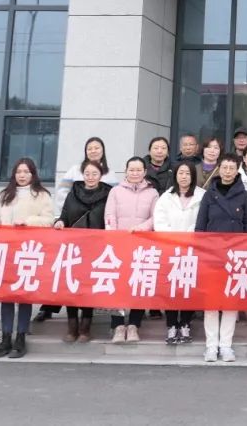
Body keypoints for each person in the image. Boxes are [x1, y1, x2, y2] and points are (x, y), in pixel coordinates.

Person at [37, 136, 118, 324]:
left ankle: (87, 318)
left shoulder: (110, 175)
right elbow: (63, 196)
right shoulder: (75, 170)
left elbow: (113, 202)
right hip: (73, 228)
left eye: (97, 148)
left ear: (103, 151)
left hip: (95, 233)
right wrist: (65, 218)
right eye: (90, 148)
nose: (93, 151)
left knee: (88, 275)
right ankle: (50, 309)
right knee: (66, 273)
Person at [0, 158, 53, 359]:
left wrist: (29, 221)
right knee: (6, 295)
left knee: (24, 295)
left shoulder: (41, 195)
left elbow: (49, 220)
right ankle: (6, 337)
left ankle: (21, 337)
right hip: (6, 250)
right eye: (19, 172)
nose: (22, 175)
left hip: (27, 251)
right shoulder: (5, 194)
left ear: (33, 174)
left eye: (26, 172)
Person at [196, 153, 247, 362]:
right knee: (211, 303)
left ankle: (226, 346)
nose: (228, 172)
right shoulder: (209, 194)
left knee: (230, 303)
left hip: (235, 256)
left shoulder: (244, 195)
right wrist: (202, 252)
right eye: (224, 168)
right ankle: (211, 346)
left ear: (237, 170)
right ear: (218, 169)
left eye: (231, 168)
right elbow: (200, 226)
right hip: (212, 255)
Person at [54, 159, 110, 343]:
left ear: (101, 175)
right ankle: (72, 326)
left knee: (87, 286)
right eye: (87, 174)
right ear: (82, 175)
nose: (91, 177)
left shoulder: (108, 194)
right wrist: (60, 222)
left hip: (95, 247)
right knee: (71, 284)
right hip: (74, 246)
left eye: (95, 174)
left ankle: (86, 326)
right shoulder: (73, 193)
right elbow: (64, 215)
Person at [105, 156, 159, 344]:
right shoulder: (115, 191)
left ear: (145, 172)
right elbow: (110, 216)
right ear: (126, 171)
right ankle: (118, 325)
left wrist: (140, 229)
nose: (135, 173)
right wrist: (114, 237)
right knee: (117, 285)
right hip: (119, 245)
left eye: (138, 170)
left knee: (139, 284)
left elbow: (155, 217)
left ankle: (134, 324)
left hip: (142, 244)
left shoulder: (152, 193)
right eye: (131, 170)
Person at [153, 162, 206, 345]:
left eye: (187, 173)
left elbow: (202, 220)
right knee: (171, 288)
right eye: (181, 173)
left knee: (188, 288)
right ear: (175, 175)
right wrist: (174, 238)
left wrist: (188, 236)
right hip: (171, 249)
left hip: (193, 249)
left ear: (193, 176)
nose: (184, 177)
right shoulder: (166, 197)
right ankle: (171, 325)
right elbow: (159, 222)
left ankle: (185, 323)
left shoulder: (202, 196)